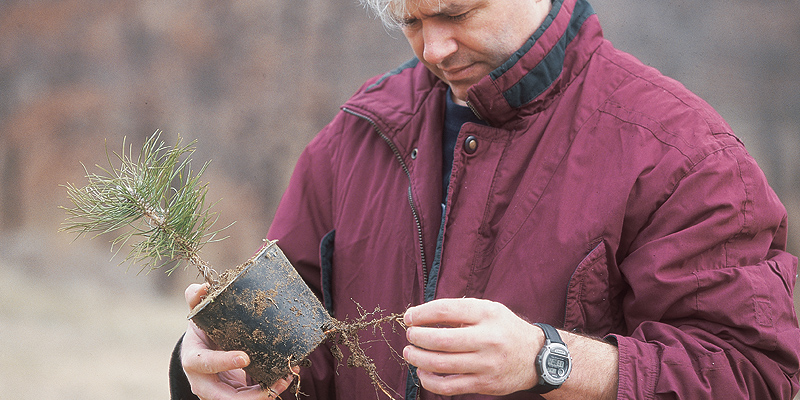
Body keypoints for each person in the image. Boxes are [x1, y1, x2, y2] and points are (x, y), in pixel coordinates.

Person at [169, 0, 800, 398]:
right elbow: (302, 365)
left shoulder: (681, 151)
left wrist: (550, 361)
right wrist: (212, 374)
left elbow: (755, 374)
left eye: (457, 13)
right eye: (412, 22)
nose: (434, 50)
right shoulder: (356, 139)